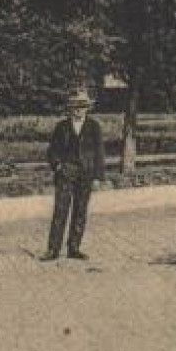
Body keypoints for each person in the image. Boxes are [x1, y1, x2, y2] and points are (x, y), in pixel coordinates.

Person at [42, 89, 105, 261]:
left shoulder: (94, 127)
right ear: (70, 108)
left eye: (82, 106)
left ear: (87, 108)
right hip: (66, 173)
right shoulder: (61, 127)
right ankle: (53, 249)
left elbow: (99, 152)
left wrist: (98, 177)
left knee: (80, 211)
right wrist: (58, 166)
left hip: (86, 174)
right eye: (75, 107)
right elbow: (52, 151)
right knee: (60, 210)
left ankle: (74, 248)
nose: (79, 110)